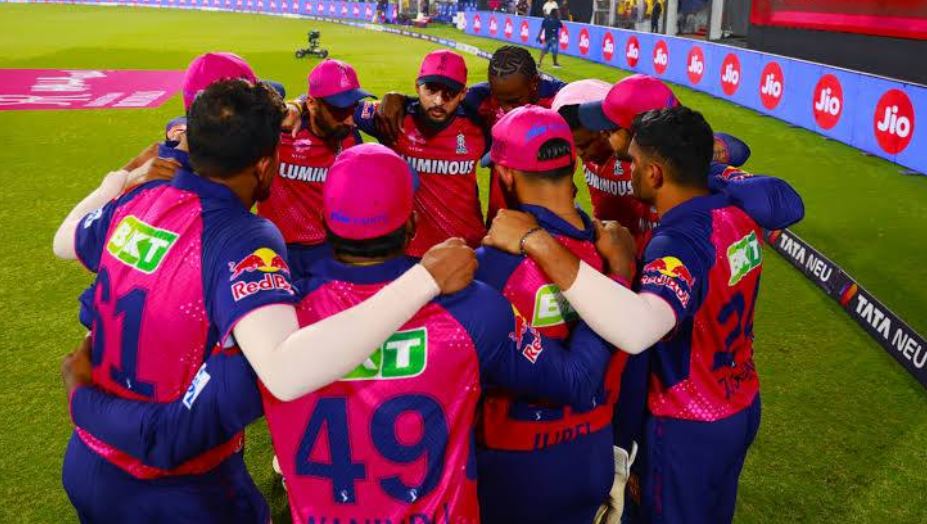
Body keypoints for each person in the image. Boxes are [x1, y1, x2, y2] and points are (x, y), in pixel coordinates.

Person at [52, 79, 476, 522]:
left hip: (88, 463)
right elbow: (286, 371)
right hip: (179, 491)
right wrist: (424, 280)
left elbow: (65, 240)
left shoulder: (141, 198)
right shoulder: (243, 236)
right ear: (264, 164)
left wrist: (121, 179)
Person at [483, 106, 805, 524]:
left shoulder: (676, 243)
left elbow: (637, 329)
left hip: (687, 420)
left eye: (633, 162)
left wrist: (537, 241)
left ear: (654, 173)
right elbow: (786, 202)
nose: (626, 169)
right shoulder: (737, 213)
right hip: (739, 402)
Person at [262, 143, 614, 522]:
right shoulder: (474, 309)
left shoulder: (276, 318)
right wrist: (615, 280)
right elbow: (576, 380)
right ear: (412, 224)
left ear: (324, 220)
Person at [472, 106, 644, 524]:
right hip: (593, 452)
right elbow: (636, 363)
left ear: (506, 175)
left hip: (515, 471)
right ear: (572, 165)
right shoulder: (617, 249)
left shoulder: (490, 266)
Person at [354, 50, 488, 256]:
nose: (438, 101)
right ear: (417, 87)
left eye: (450, 93)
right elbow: (334, 104)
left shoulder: (480, 126)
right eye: (430, 90)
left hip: (465, 249)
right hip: (406, 251)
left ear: (463, 93)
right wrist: (299, 106)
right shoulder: (391, 118)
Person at [258, 59, 370, 278]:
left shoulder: (350, 139)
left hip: (329, 252)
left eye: (353, 108)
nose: (350, 120)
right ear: (312, 103)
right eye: (339, 111)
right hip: (276, 251)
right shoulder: (279, 131)